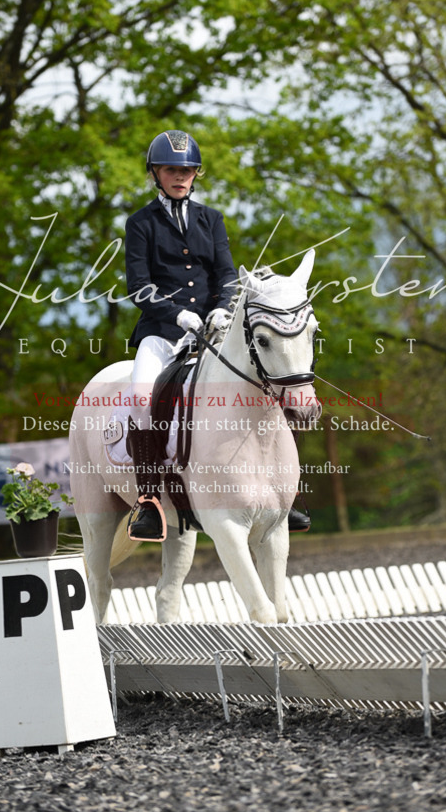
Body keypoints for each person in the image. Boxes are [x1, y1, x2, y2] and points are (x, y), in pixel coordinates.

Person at [125, 129, 311, 540]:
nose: (180, 177)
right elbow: (138, 285)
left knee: (274, 380)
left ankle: (286, 494)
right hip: (162, 333)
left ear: (196, 174)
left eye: (187, 170)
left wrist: (222, 309)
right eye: (172, 169)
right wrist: (178, 316)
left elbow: (227, 274)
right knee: (140, 400)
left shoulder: (211, 219)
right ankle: (149, 501)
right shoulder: (141, 224)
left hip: (214, 327)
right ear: (155, 173)